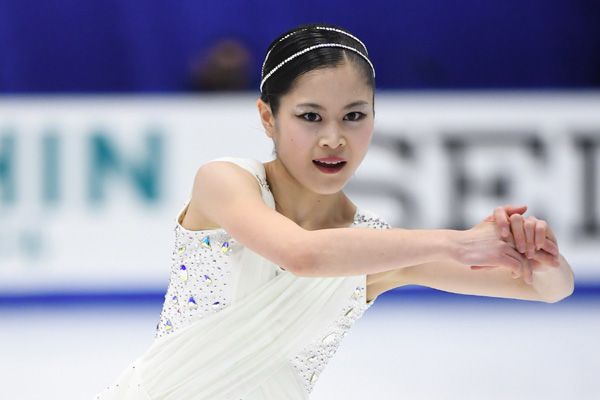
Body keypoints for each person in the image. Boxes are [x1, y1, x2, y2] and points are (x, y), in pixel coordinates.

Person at [95, 24, 574, 400]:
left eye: (354, 116)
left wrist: (541, 255)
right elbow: (300, 255)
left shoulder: (372, 250)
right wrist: (455, 241)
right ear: (268, 117)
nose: (333, 138)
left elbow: (547, 290)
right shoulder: (224, 181)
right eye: (310, 116)